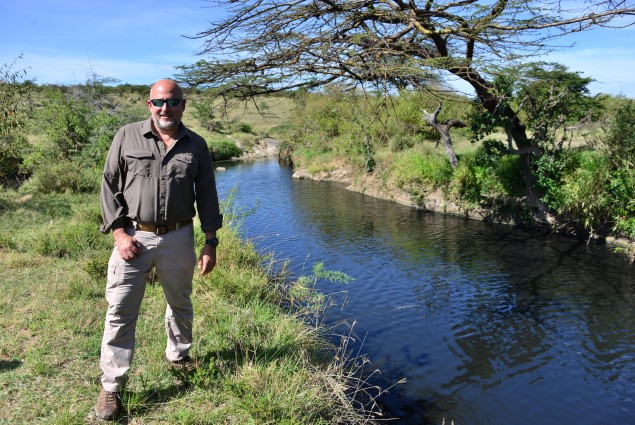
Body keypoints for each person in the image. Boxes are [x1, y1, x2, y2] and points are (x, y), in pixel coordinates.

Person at [94, 79, 223, 421]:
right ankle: (112, 386)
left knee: (180, 302)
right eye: (158, 102)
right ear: (148, 104)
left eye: (172, 101)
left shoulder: (196, 145)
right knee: (121, 308)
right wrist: (120, 233)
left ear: (184, 104)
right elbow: (109, 185)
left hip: (180, 236)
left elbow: (207, 195)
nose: (165, 108)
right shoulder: (127, 135)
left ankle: (178, 355)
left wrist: (210, 242)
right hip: (134, 236)